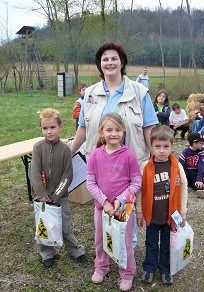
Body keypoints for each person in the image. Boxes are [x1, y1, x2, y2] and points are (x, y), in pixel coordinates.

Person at [70, 42, 158, 247]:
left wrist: (156, 157)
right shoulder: (90, 94)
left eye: (114, 58)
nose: (109, 62)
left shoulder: (139, 92)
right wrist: (69, 151)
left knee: (128, 202)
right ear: (99, 65)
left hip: (130, 162)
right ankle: (106, 247)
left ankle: (128, 247)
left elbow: (149, 128)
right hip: (101, 164)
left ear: (122, 62)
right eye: (105, 59)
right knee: (104, 205)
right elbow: (83, 128)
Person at [86, 113, 142, 292]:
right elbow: (90, 182)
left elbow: (136, 182)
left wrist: (120, 199)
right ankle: (101, 267)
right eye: (109, 130)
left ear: (123, 131)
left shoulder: (129, 156)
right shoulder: (95, 155)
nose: (113, 134)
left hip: (123, 208)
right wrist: (104, 201)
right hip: (101, 208)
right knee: (101, 239)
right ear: (101, 132)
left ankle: (127, 272)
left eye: (118, 130)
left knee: (124, 241)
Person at [29, 108, 87, 267]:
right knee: (44, 225)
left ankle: (75, 249)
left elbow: (67, 175)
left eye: (52, 127)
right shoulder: (37, 148)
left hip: (60, 197)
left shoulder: (65, 150)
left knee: (65, 225)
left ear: (60, 127)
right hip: (41, 198)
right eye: (45, 128)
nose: (49, 131)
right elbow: (34, 171)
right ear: (41, 129)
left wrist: (56, 195)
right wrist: (41, 193)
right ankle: (47, 252)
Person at [140, 125, 188, 286]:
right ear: (151, 146)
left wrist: (183, 213)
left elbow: (183, 189)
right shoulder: (145, 167)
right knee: (151, 243)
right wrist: (139, 212)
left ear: (172, 146)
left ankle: (166, 269)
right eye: (157, 146)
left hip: (170, 217)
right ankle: (150, 268)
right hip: (152, 215)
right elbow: (140, 191)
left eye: (166, 146)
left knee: (168, 245)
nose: (161, 151)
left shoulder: (177, 167)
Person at [179, 133, 204, 198]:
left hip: (195, 174)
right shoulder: (185, 152)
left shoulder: (202, 151)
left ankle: (203, 193)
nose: (203, 144)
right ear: (194, 144)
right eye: (201, 143)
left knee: (199, 186)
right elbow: (180, 166)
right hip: (186, 173)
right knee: (180, 184)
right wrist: (180, 177)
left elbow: (201, 166)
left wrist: (199, 179)